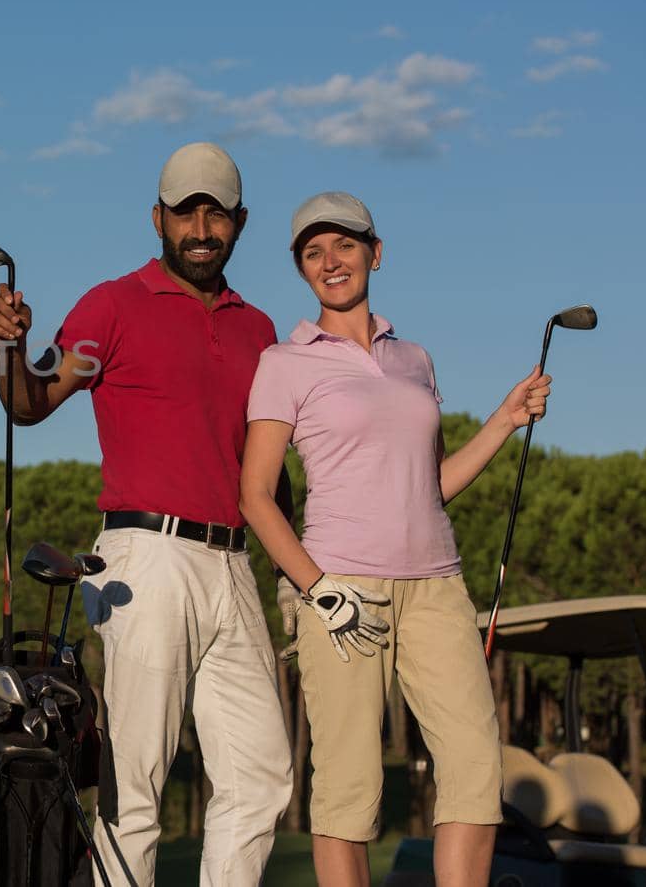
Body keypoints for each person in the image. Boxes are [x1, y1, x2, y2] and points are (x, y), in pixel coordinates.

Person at [0, 142, 293, 887]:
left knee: (263, 777)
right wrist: (8, 349)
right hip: (146, 560)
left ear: (240, 222)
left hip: (235, 564)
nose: (202, 227)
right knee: (137, 785)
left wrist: (295, 578)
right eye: (187, 211)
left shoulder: (261, 329)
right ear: (159, 217)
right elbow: (31, 402)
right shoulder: (111, 306)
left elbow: (271, 470)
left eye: (217, 212)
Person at [237, 191, 551, 887]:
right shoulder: (285, 363)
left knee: (474, 769)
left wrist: (502, 419)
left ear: (374, 254)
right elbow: (255, 496)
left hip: (438, 585)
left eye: (344, 246)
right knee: (350, 791)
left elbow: (427, 484)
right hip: (343, 590)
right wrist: (319, 592)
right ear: (302, 269)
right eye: (313, 252)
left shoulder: (414, 358)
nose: (331, 261)